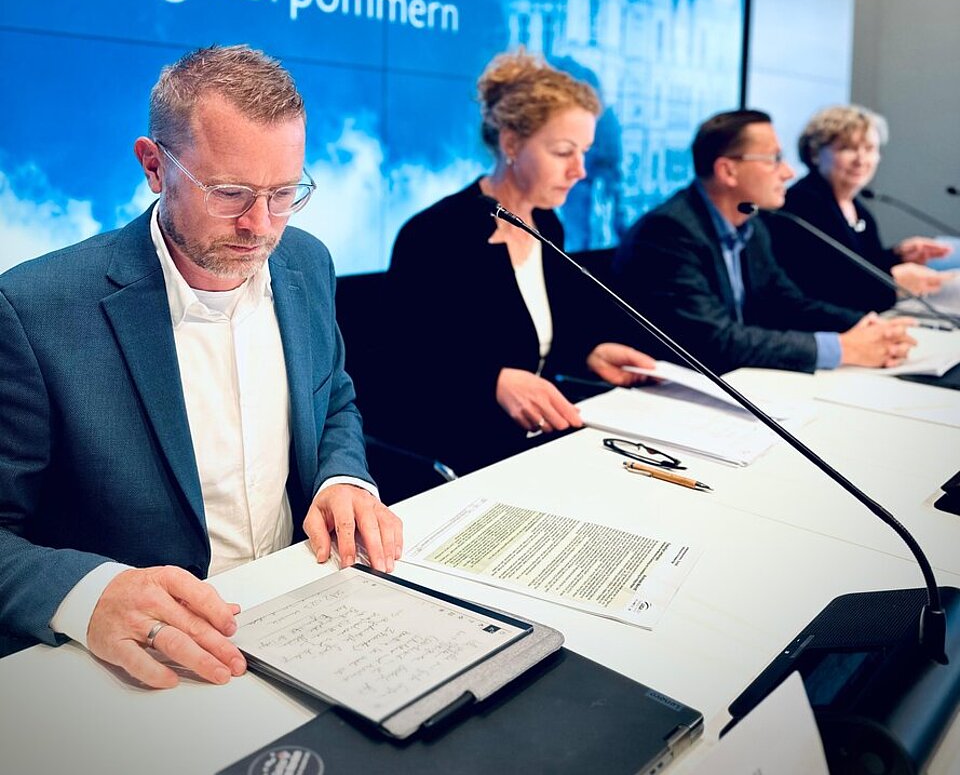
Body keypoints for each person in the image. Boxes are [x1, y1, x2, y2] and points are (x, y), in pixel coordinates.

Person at [0, 45, 402, 688]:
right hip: (145, 662)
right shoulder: (34, 309)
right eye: (230, 193)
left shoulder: (307, 263)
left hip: (310, 608)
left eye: (283, 194)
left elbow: (335, 402)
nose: (260, 226)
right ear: (154, 166)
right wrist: (88, 594)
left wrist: (343, 479)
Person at [387, 50, 656, 475]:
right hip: (465, 455)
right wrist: (491, 381)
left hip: (537, 446)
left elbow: (541, 344)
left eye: (584, 152)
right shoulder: (435, 234)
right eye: (564, 152)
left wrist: (591, 353)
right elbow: (405, 367)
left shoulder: (547, 224)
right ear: (511, 143)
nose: (580, 171)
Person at [612, 110, 916, 375]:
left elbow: (785, 302)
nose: (788, 172)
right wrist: (842, 349)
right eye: (774, 160)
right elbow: (715, 341)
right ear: (728, 170)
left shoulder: (752, 225)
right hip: (666, 393)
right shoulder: (669, 232)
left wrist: (865, 326)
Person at [765, 105, 952, 312]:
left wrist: (898, 256)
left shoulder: (860, 211)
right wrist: (893, 284)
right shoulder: (801, 205)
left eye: (870, 149)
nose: (861, 160)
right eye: (848, 148)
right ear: (815, 153)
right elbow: (822, 285)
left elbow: (860, 266)